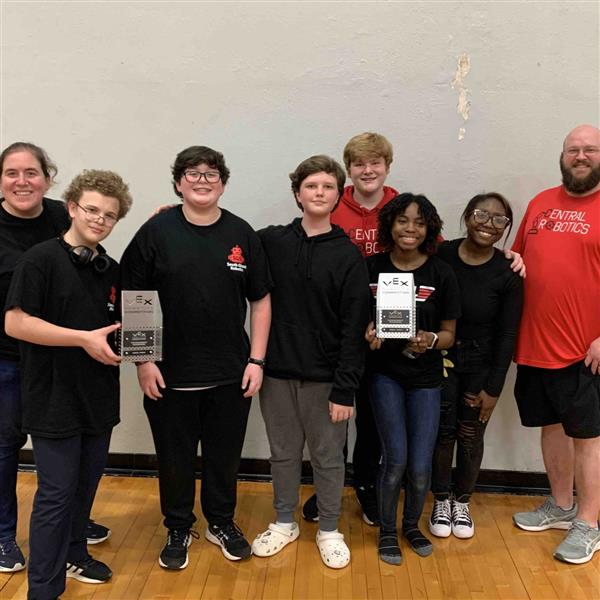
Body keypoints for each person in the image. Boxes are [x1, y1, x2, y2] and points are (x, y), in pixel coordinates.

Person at [120, 145, 272, 569]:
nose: (202, 180)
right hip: (169, 374)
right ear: (178, 181)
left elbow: (260, 301)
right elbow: (136, 297)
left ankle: (221, 521)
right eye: (193, 172)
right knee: (174, 456)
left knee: (224, 456)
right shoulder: (155, 232)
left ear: (222, 183)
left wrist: (256, 361)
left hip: (230, 373)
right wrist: (144, 361)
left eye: (211, 173)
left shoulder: (242, 234)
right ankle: (178, 525)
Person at [5, 169, 132, 599]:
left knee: (85, 486)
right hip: (53, 397)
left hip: (98, 397)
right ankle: (43, 588)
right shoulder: (39, 259)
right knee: (56, 495)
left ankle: (76, 552)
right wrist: (81, 339)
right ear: (73, 207)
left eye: (109, 216)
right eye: (92, 210)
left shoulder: (110, 269)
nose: (99, 219)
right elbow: (15, 322)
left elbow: (130, 326)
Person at [251, 155, 370, 569]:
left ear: (339, 195)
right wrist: (171, 214)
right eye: (311, 186)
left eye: (328, 187)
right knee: (282, 453)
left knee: (328, 457)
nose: (319, 193)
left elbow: (355, 329)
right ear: (297, 193)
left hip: (326, 381)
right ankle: (284, 521)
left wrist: (345, 388)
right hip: (277, 375)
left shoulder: (349, 257)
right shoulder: (271, 242)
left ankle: (330, 529)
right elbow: (222, 241)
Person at [511, 124, 600, 565]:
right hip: (534, 346)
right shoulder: (541, 203)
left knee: (587, 437)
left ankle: (589, 523)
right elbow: (518, 258)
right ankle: (562, 506)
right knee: (551, 428)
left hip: (585, 350)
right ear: (561, 156)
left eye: (589, 150)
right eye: (572, 150)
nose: (580, 156)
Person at [303, 132, 397, 526]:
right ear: (349, 171)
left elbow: (432, 259)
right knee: (333, 418)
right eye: (359, 164)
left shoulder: (401, 207)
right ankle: (330, 488)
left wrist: (508, 256)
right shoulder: (330, 204)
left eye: (375, 162)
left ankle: (366, 487)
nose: (368, 170)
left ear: (387, 167)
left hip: (384, 333)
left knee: (371, 420)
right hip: (336, 331)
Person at [365, 193, 460, 565]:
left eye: (419, 222)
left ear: (429, 229)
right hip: (385, 374)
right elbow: (358, 320)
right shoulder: (371, 268)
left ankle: (411, 526)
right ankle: (387, 530)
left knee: (421, 465)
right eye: (403, 220)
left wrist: (432, 340)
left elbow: (451, 333)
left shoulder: (441, 273)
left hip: (426, 378)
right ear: (390, 225)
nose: (410, 228)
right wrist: (369, 333)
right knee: (396, 460)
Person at [429, 193, 523, 539]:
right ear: (468, 215)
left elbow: (508, 334)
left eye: (500, 220)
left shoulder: (509, 272)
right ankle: (440, 498)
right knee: (443, 431)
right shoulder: (442, 255)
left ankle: (462, 501)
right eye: (482, 215)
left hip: (481, 365)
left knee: (470, 433)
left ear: (506, 229)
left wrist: (494, 388)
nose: (489, 224)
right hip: (441, 360)